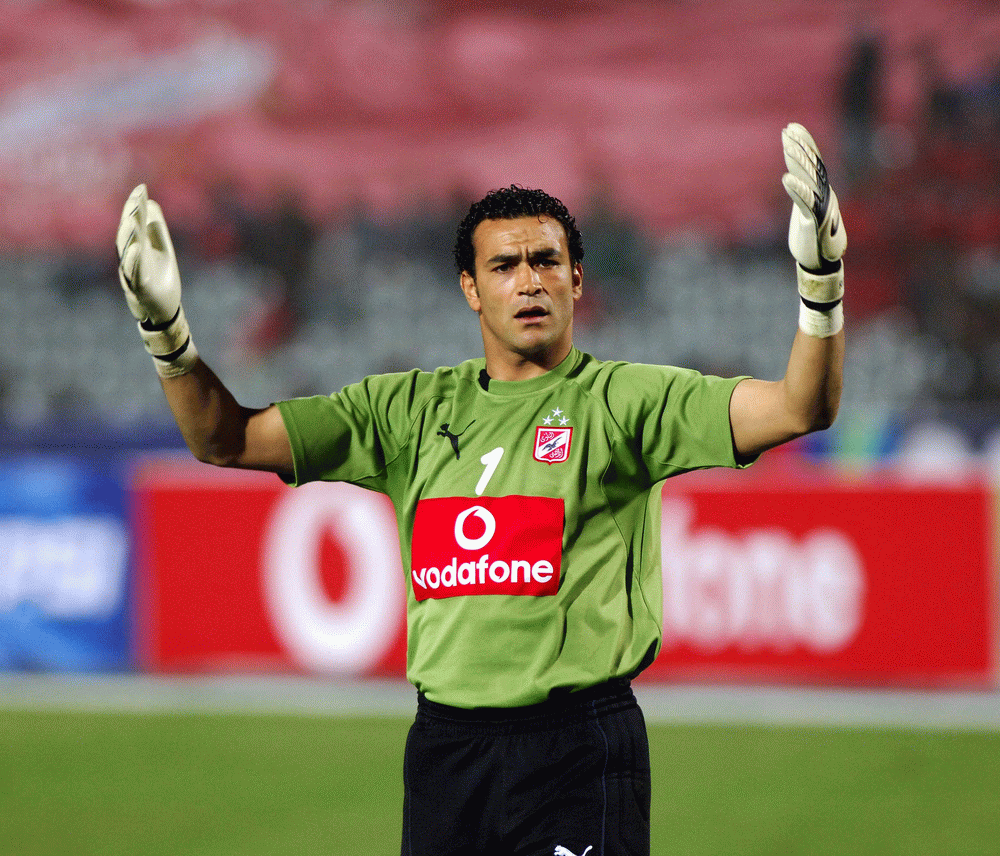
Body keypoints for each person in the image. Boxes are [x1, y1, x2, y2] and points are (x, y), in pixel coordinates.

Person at [116, 122, 846, 856]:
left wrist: (821, 287)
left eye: (547, 261)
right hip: (446, 754)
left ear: (577, 280)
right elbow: (226, 439)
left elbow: (797, 408)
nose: (529, 281)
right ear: (470, 288)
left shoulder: (627, 401)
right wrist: (166, 334)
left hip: (576, 752)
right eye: (504, 266)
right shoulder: (406, 411)